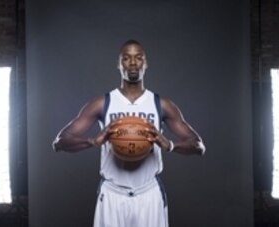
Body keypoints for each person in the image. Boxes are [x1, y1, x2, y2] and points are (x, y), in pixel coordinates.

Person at [52, 39, 206, 227]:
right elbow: (59, 142)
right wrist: (92, 141)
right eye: (126, 58)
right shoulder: (103, 103)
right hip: (112, 194)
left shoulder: (161, 104)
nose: (133, 63)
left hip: (149, 194)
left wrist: (170, 145)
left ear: (145, 63)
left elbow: (199, 146)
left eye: (138, 58)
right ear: (119, 64)